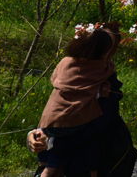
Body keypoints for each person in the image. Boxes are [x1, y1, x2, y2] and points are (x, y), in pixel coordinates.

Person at [34, 23, 121, 177]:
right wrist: (36, 136)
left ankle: (47, 169)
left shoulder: (66, 68)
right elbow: (91, 130)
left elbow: (57, 108)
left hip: (58, 136)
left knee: (49, 162)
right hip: (82, 161)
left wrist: (49, 139)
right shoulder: (102, 74)